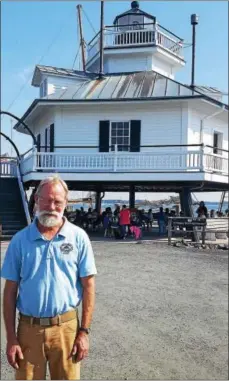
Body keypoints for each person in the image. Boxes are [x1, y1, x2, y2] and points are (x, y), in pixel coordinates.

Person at [1, 175, 97, 380]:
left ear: (65, 203)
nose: (51, 206)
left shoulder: (78, 237)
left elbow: (88, 286)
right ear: (36, 200)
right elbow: (10, 291)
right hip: (28, 330)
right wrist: (11, 338)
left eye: (57, 201)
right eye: (46, 199)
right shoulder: (19, 241)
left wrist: (84, 332)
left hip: (67, 330)